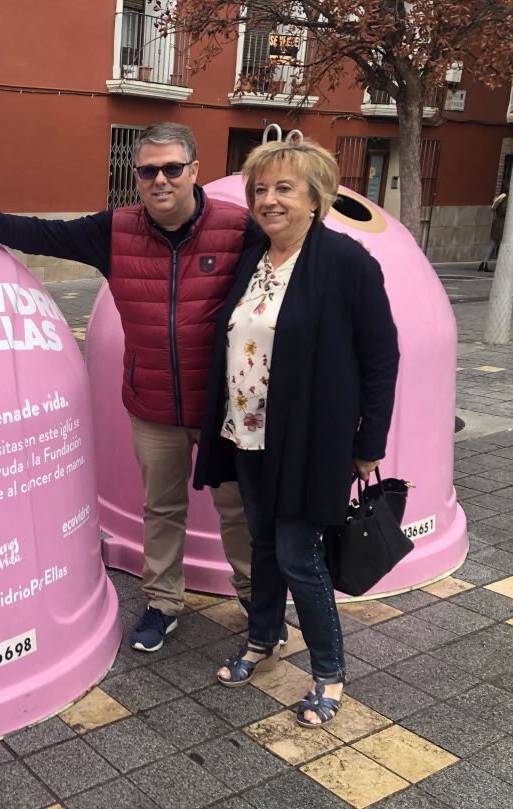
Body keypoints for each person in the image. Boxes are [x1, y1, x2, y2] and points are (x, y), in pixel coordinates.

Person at [0, 122, 281, 653]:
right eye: (148, 171)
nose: (160, 180)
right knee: (162, 509)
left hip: (223, 409)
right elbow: (44, 234)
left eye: (172, 168)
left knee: (238, 510)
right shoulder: (116, 231)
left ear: (195, 170)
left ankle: (258, 602)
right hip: (152, 405)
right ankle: (164, 603)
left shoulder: (240, 229)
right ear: (136, 176)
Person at [192, 138, 399, 727]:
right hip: (248, 434)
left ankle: (329, 674)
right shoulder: (255, 255)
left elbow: (380, 358)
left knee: (299, 556)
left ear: (317, 198)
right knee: (262, 547)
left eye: (284, 188)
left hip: (310, 440)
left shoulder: (347, 262)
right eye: (261, 188)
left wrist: (368, 444)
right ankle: (263, 639)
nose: (268, 199)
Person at [479, 190, 507, 272]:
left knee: (491, 244)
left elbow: (493, 208)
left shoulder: (501, 196)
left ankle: (483, 264)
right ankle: (502, 265)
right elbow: (504, 210)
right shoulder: (507, 198)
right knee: (502, 245)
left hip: (496, 223)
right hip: (502, 225)